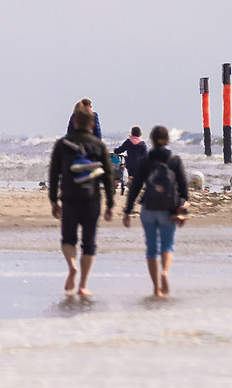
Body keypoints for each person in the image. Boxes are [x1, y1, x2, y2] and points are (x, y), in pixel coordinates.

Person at [49, 108, 115, 297]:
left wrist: (53, 200)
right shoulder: (99, 145)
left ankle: (72, 266)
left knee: (68, 239)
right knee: (89, 243)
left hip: (69, 197)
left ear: (75, 122)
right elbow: (108, 176)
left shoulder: (62, 145)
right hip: (92, 199)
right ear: (92, 125)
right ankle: (83, 285)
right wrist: (110, 203)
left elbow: (54, 174)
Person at [123, 124, 188, 298]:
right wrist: (182, 210)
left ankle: (156, 288)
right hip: (168, 210)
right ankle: (165, 272)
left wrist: (127, 210)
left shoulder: (146, 160)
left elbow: (136, 187)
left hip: (148, 209)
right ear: (168, 140)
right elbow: (184, 189)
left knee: (151, 248)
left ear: (151, 140)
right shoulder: (175, 160)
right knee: (167, 246)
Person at [113, 127, 148, 196]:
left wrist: (115, 150)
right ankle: (134, 188)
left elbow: (120, 149)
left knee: (131, 174)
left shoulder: (128, 142)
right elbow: (145, 154)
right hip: (138, 164)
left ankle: (131, 186)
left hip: (129, 163)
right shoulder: (142, 143)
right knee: (137, 176)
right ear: (140, 134)